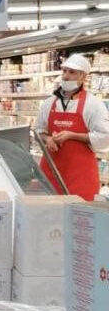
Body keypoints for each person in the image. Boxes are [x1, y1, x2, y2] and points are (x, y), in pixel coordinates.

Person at [36, 53, 109, 201]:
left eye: (72, 72)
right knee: (49, 217)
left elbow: (105, 136)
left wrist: (72, 135)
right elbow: (38, 130)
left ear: (83, 77)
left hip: (80, 176)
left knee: (80, 218)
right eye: (64, 71)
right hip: (51, 172)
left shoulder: (93, 104)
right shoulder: (49, 103)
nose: (66, 76)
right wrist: (47, 138)